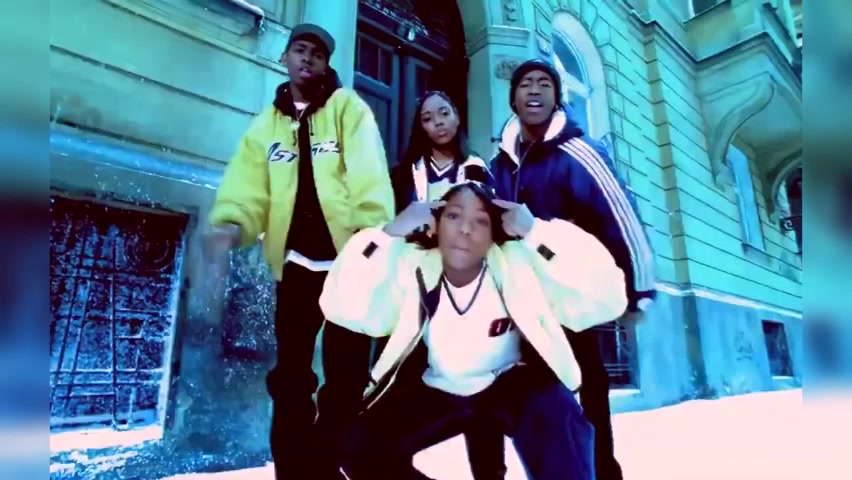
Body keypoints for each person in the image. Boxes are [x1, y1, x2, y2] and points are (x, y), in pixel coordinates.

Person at [320, 181, 629, 480]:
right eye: (454, 216)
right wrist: (388, 234)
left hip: (509, 381)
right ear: (435, 225)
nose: (465, 229)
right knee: (359, 447)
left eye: (480, 221)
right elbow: (345, 305)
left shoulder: (517, 262)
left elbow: (606, 295)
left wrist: (535, 232)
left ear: (493, 233)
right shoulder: (414, 265)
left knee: (563, 421)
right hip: (440, 385)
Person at [201, 23, 395, 480]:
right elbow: (249, 186)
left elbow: (368, 173)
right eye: (300, 50)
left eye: (317, 54)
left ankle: (327, 464)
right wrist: (232, 223)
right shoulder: (265, 126)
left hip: (348, 267)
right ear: (285, 58)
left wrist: (371, 239)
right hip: (296, 267)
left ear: (327, 65)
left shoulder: (348, 108)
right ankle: (292, 470)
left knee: (346, 377)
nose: (307, 59)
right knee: (290, 379)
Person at [489, 59, 657, 480]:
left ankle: (602, 472)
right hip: (523, 304)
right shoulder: (500, 164)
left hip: (572, 298)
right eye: (525, 84)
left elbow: (623, 221)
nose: (534, 90)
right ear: (513, 100)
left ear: (557, 98)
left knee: (587, 397)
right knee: (540, 406)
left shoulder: (580, 153)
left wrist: (638, 292)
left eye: (544, 84)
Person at [391, 90, 492, 210]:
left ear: (457, 117)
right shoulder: (404, 175)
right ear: (421, 127)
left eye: (444, 113)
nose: (438, 122)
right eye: (427, 119)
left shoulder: (476, 168)